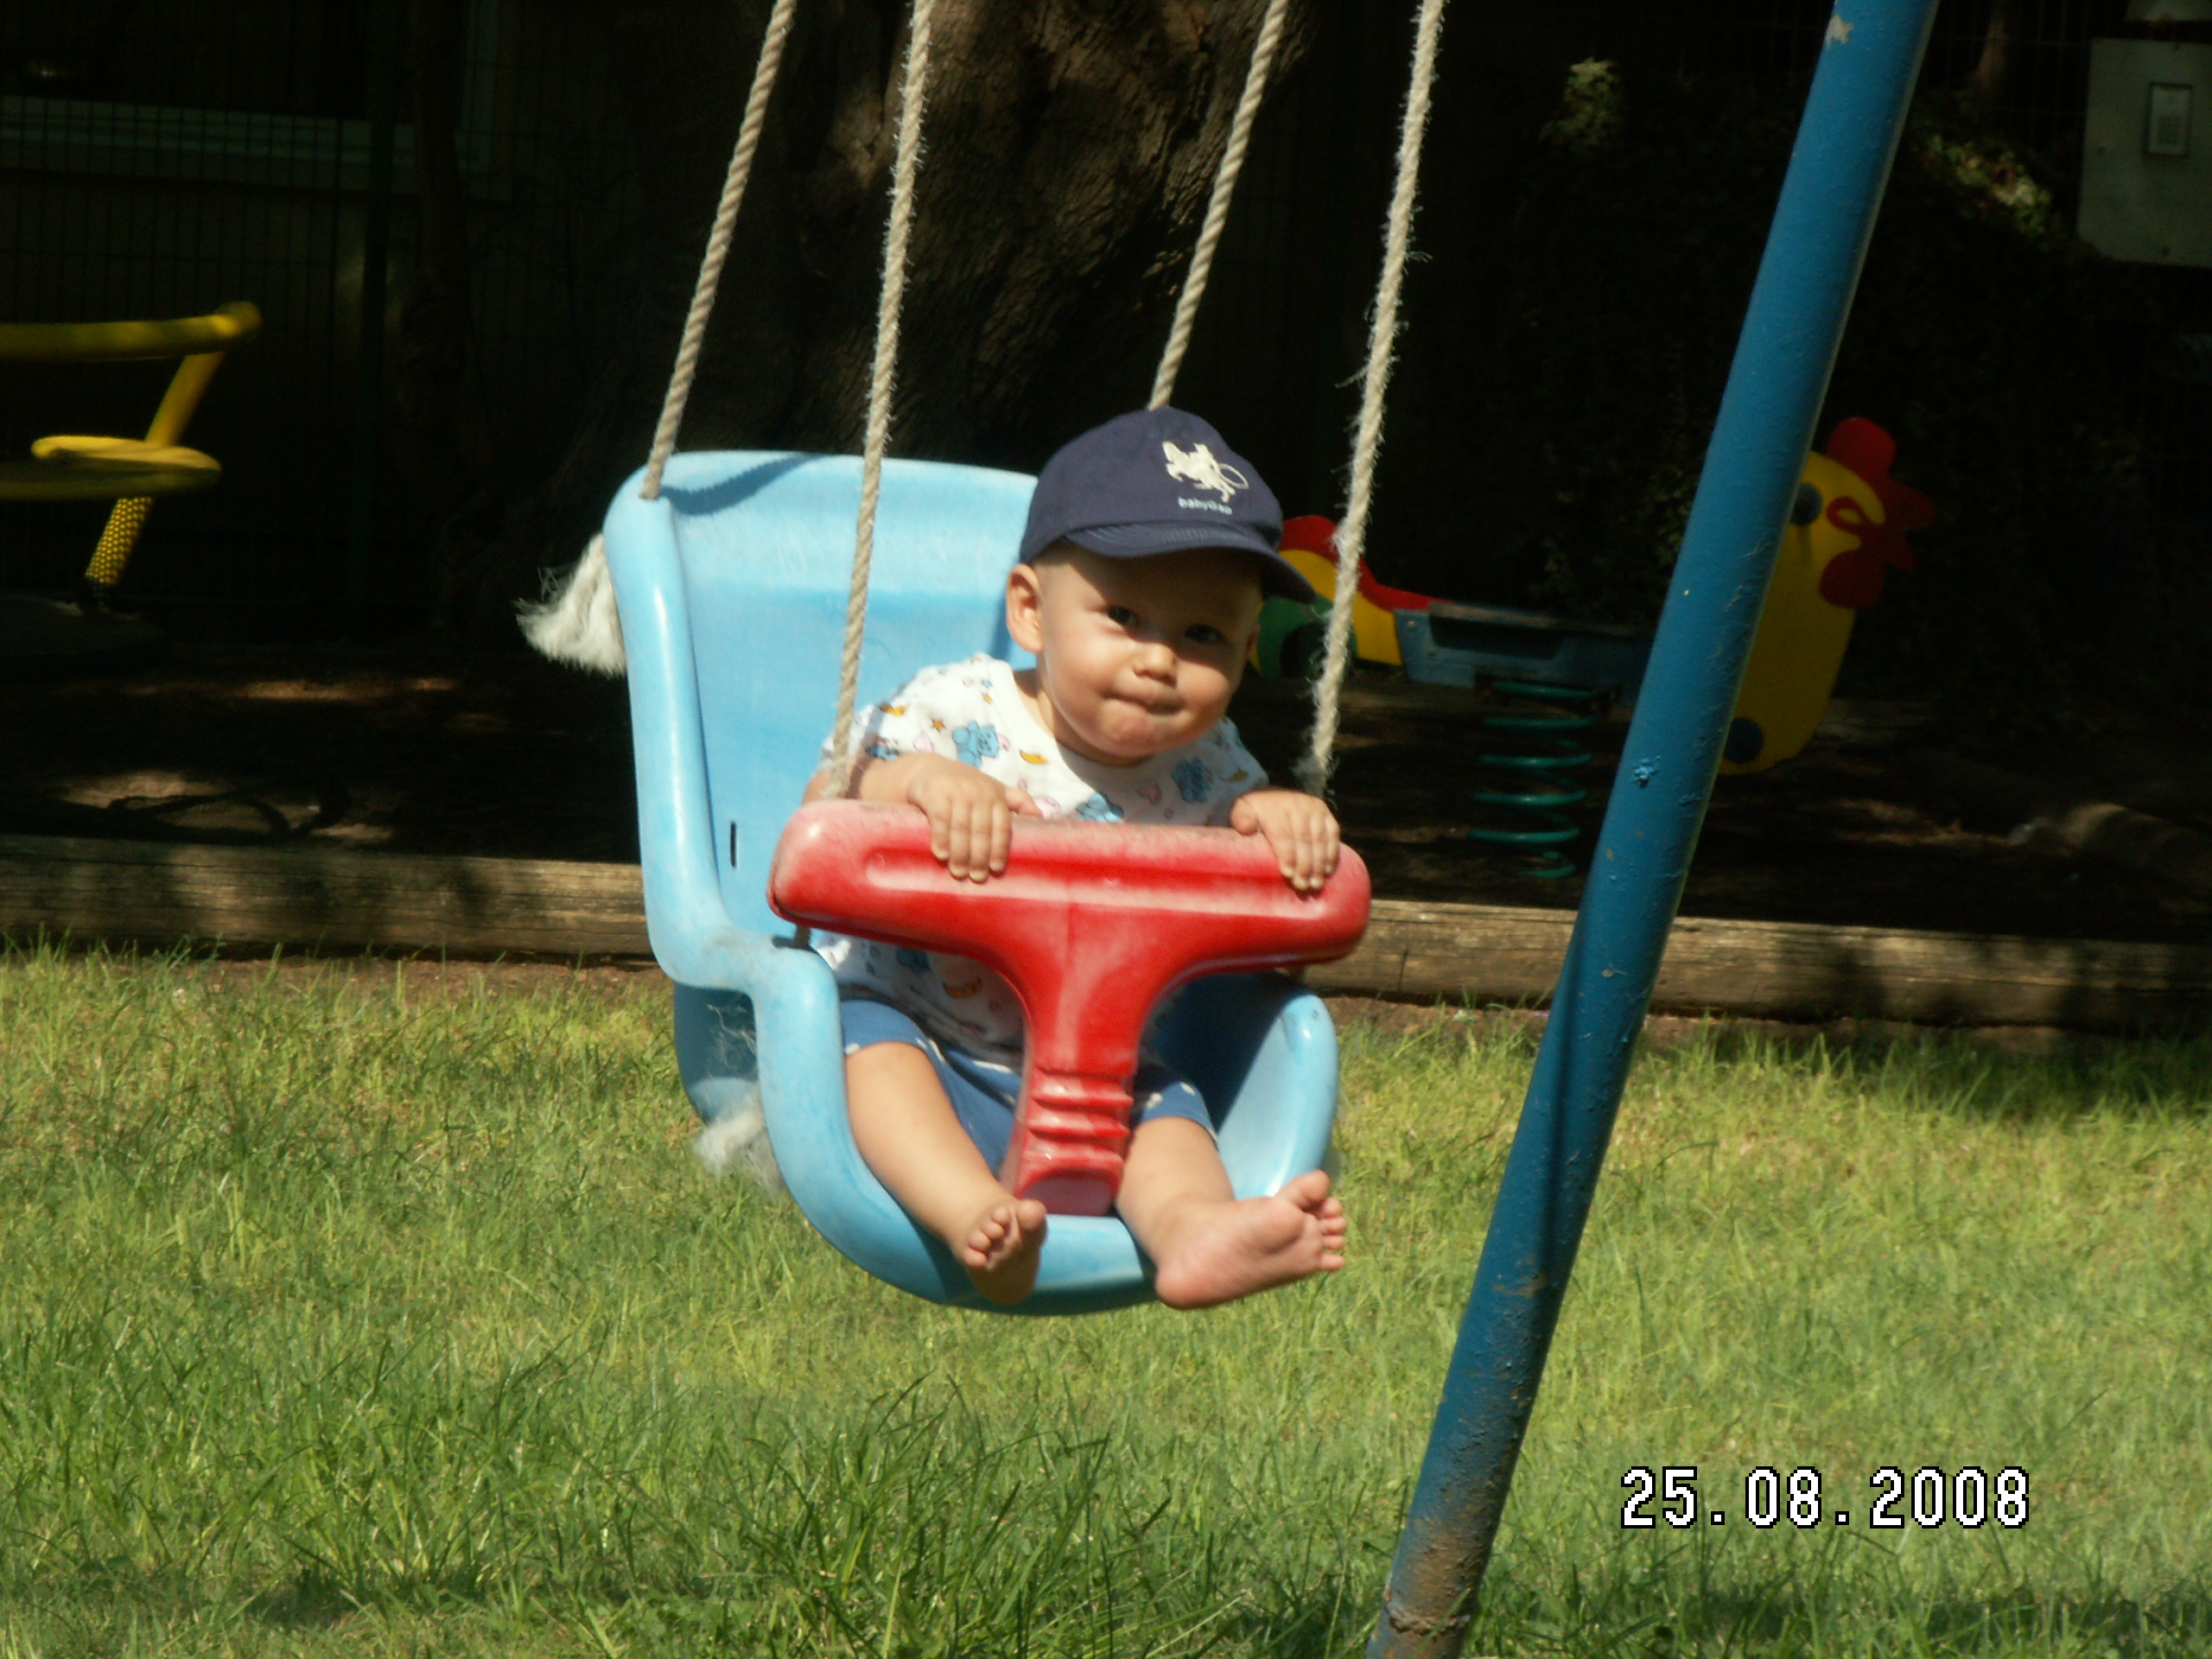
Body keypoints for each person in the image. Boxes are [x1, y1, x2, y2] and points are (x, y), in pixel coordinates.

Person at [804, 407, 1348, 1307]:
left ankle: (1194, 1231)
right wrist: (917, 786)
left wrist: (1278, 828)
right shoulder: (955, 712)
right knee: (865, 1051)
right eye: (1123, 616)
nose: (1159, 660)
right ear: (1030, 611)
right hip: (924, 1027)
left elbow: (1267, 942)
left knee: (1167, 1115)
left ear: (1248, 650)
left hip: (1106, 1065)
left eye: (1203, 636)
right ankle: (973, 1214)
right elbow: (825, 804)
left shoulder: (1215, 769)